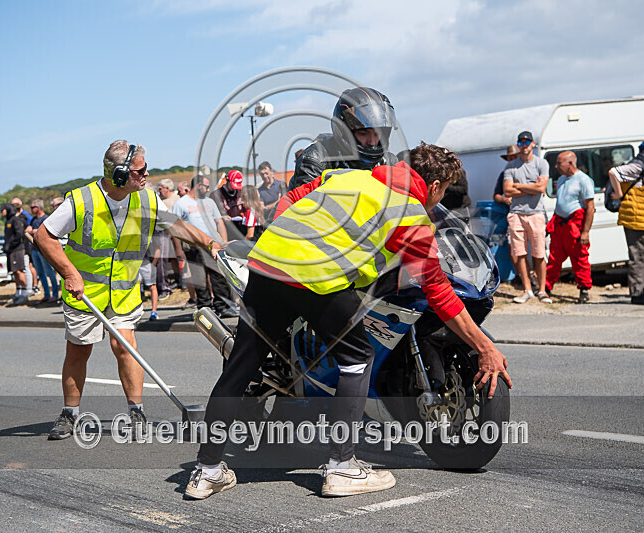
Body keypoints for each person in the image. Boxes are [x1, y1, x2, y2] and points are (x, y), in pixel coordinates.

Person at [185, 143, 512, 500]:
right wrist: (486, 346)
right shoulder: (411, 214)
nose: (441, 199)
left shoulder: (349, 177)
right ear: (434, 187)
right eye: (444, 191)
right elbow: (439, 292)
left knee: (240, 367)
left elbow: (295, 194)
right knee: (357, 359)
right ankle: (342, 467)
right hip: (319, 276)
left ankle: (207, 470)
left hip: (267, 263)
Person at [34, 140, 223, 440]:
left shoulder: (147, 200)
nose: (147, 175)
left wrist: (208, 242)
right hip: (85, 294)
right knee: (79, 351)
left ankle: (137, 412)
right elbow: (43, 235)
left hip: (124, 292)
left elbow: (176, 226)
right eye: (141, 171)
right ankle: (70, 414)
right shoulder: (81, 201)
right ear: (120, 176)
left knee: (126, 348)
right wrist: (69, 272)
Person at [288, 87, 398, 191]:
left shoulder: (388, 162)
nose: (372, 142)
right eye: (363, 133)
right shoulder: (315, 160)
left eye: (377, 134)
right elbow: (308, 207)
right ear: (344, 132)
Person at [608, 138, 644, 304]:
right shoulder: (639, 165)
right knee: (639, 257)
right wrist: (619, 194)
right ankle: (638, 293)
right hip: (639, 220)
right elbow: (614, 172)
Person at [173, 174, 237, 317]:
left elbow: (219, 222)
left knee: (219, 275)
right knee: (199, 277)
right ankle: (205, 308)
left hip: (213, 244)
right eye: (206, 187)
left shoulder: (209, 202)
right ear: (199, 186)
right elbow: (175, 228)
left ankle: (223, 307)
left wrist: (224, 242)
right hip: (193, 245)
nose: (208, 190)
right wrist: (178, 248)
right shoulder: (181, 203)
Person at [503, 131, 551, 303]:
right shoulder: (510, 166)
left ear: (533, 144)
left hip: (536, 213)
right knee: (520, 253)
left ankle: (542, 289)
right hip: (516, 213)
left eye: (527, 142)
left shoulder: (541, 163)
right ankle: (527, 289)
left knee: (539, 253)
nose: (524, 145)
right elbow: (507, 190)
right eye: (521, 142)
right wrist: (532, 186)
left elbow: (541, 188)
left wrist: (518, 185)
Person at [545, 151, 595, 303]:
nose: (556, 166)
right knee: (554, 257)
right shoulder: (561, 179)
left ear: (570, 164)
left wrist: (585, 232)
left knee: (580, 257)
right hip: (560, 224)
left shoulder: (584, 180)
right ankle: (546, 287)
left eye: (559, 163)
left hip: (575, 224)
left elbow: (590, 208)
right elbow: (560, 203)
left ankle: (584, 289)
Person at [27, 200, 60, 304]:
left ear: (39, 207)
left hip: (44, 250)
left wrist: (35, 231)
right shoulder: (33, 220)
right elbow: (30, 229)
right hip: (35, 249)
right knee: (40, 274)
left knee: (49, 272)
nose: (31, 209)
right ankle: (46, 295)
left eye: (33, 207)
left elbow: (48, 232)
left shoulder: (46, 219)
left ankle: (55, 295)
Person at [156, 179, 183, 296]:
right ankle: (177, 279)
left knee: (180, 257)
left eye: (160, 189)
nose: (159, 191)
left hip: (176, 233)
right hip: (166, 233)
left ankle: (183, 280)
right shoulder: (161, 200)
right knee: (172, 258)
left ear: (167, 188)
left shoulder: (175, 200)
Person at [1, 203, 28, 305]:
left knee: (19, 271)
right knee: (15, 272)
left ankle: (25, 294)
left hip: (17, 249)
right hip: (11, 251)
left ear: (8, 210)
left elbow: (19, 234)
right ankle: (18, 293)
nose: (1, 212)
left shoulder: (15, 219)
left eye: (3, 210)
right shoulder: (8, 221)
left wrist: (10, 244)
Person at [211, 170, 247, 239]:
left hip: (241, 232)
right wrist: (222, 217)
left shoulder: (241, 193)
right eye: (233, 185)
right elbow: (210, 216)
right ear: (228, 180)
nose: (235, 188)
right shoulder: (215, 195)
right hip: (226, 232)